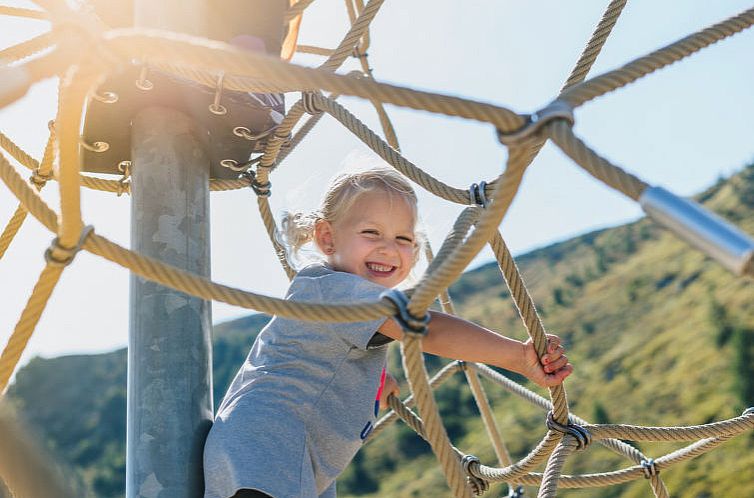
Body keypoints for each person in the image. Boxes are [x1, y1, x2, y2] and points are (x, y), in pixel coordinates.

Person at [203, 167, 573, 498]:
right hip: (270, 449)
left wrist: (372, 384)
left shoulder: (333, 299)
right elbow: (427, 329)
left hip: (272, 456)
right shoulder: (333, 289)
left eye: (404, 239)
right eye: (371, 232)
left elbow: (320, 362)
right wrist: (516, 357)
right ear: (328, 239)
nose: (388, 247)